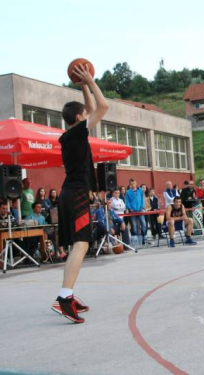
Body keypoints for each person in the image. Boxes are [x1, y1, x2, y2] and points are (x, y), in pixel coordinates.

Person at [50, 63, 109, 323]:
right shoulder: (76, 133)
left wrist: (84, 85)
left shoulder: (73, 134)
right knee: (82, 244)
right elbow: (103, 107)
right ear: (78, 119)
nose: (89, 116)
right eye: (85, 114)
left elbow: (92, 108)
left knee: (79, 244)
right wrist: (91, 82)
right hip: (74, 194)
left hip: (70, 193)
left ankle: (67, 295)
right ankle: (64, 297)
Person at [126, 179, 147, 246]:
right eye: (131, 184)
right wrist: (130, 208)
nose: (133, 185)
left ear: (136, 183)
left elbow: (142, 199)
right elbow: (127, 202)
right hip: (132, 211)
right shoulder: (128, 192)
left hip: (140, 210)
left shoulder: (140, 190)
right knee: (134, 225)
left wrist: (141, 207)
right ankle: (135, 239)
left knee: (143, 224)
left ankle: (144, 236)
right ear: (130, 184)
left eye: (134, 183)